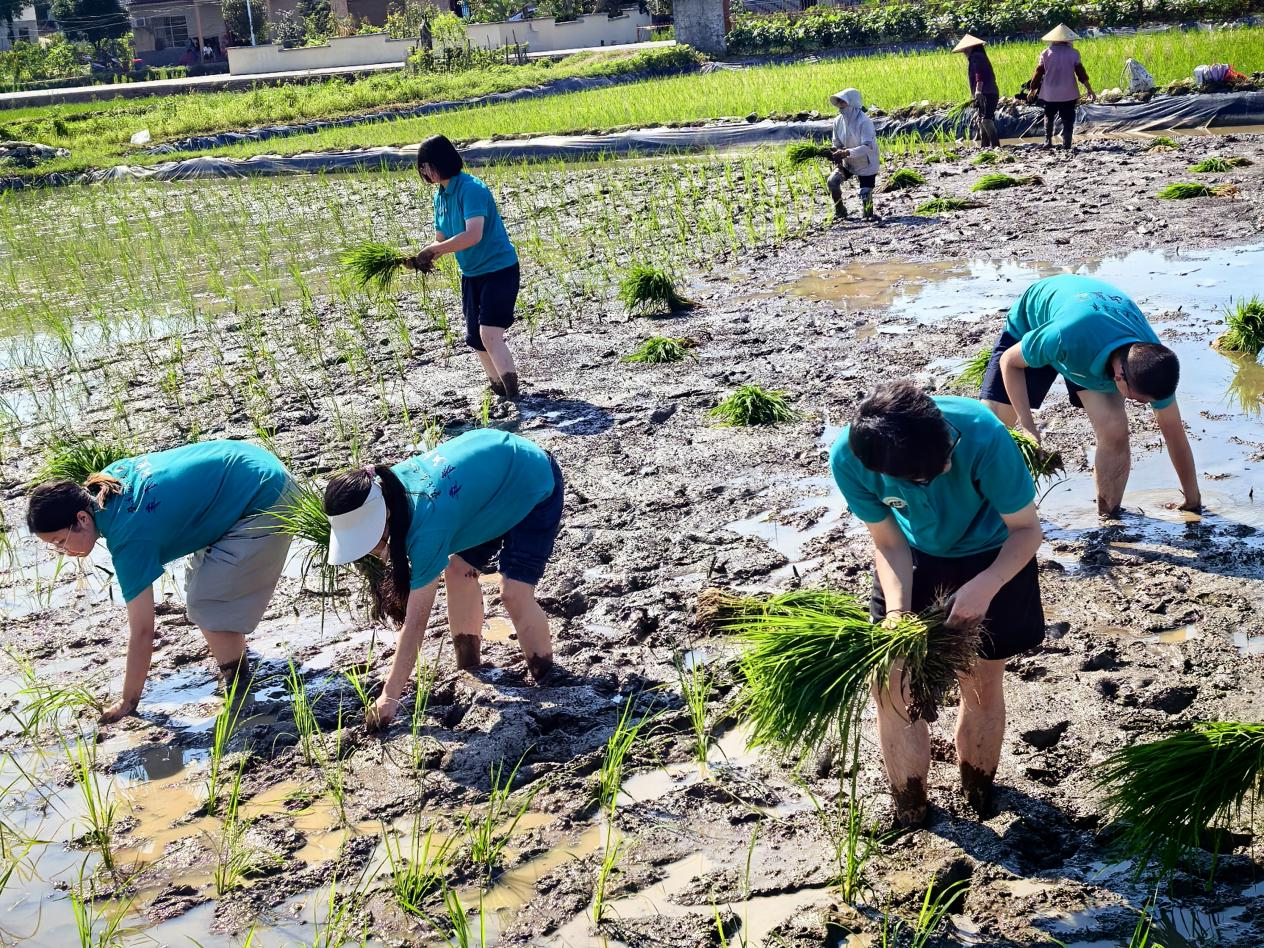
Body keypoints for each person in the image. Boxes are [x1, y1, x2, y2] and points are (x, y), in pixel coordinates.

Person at [831, 383, 1044, 827]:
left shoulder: (984, 435)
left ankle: (979, 793)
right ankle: (910, 809)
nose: (943, 469)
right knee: (891, 682)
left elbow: (1026, 530)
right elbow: (888, 541)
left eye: (945, 460)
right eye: (922, 478)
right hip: (913, 554)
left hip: (994, 551)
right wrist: (897, 613)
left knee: (980, 679)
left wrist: (985, 587)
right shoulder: (851, 460)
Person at [25, 442, 296, 723]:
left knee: (207, 605)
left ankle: (239, 685)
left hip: (267, 497)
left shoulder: (129, 537)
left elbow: (143, 631)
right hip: (253, 463)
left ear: (81, 518)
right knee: (199, 584)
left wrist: (128, 702)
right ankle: (233, 652)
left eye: (60, 541)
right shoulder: (105, 483)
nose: (63, 551)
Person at [323, 429, 564, 730]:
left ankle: (547, 678)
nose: (367, 551)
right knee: (457, 570)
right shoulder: (388, 489)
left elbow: (415, 625)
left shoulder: (426, 528)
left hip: (532, 482)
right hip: (481, 493)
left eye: (365, 540)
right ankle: (470, 667)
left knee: (514, 593)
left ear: (382, 519)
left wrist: (389, 697)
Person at [980, 274, 1200, 518]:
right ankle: (987, 517)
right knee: (992, 430)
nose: (1142, 406)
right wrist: (1028, 425)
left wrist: (1193, 500)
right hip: (1037, 325)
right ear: (1119, 377)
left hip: (1091, 344)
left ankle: (1108, 516)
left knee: (1114, 429)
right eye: (1138, 400)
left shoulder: (1153, 359)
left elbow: (1173, 432)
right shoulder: (1064, 335)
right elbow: (1010, 361)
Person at [406, 135, 523, 399]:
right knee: (475, 338)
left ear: (441, 162)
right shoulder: (440, 197)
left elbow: (473, 235)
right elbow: (440, 239)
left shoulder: (471, 189)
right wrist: (417, 258)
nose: (423, 172)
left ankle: (515, 395)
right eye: (421, 167)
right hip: (471, 274)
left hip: (498, 270)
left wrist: (434, 251)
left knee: (489, 333)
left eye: (426, 165)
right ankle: (499, 391)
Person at [1030, 24, 1095, 150]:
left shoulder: (1045, 53)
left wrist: (1032, 89)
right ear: (1067, 39)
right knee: (1068, 118)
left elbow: (1038, 73)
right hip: (1068, 92)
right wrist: (1089, 89)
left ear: (1053, 40)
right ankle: (1067, 144)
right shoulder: (1074, 53)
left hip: (1050, 92)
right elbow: (1081, 73)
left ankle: (1048, 141)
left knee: (1048, 116)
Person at [826, 88, 880, 223]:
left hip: (866, 162)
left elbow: (867, 146)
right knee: (832, 182)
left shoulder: (864, 121)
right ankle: (840, 211)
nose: (839, 105)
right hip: (847, 162)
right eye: (838, 101)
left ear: (852, 102)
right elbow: (836, 144)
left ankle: (868, 213)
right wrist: (838, 162)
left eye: (842, 101)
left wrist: (847, 152)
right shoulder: (838, 121)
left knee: (866, 198)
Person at [954, 34, 1000, 149]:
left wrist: (978, 91)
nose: (964, 52)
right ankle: (984, 146)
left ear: (971, 48)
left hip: (987, 93)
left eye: (965, 49)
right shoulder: (979, 56)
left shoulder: (976, 57)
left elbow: (979, 74)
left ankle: (996, 146)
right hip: (986, 93)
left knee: (986, 120)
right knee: (981, 120)